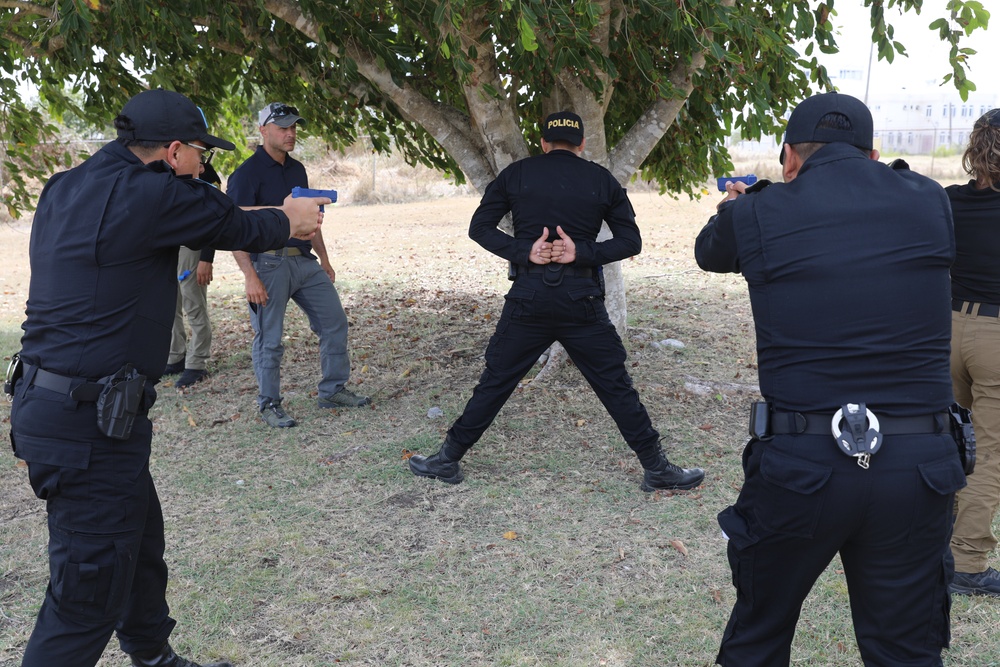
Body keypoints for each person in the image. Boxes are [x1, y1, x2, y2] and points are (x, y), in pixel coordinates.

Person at [7, 88, 327, 667]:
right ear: (173, 151)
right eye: (201, 154)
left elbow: (211, 215)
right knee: (86, 593)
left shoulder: (67, 185)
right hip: (86, 422)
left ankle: (154, 657)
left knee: (140, 547)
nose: (205, 166)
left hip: (66, 408)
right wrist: (290, 218)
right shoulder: (151, 194)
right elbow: (234, 225)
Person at [695, 92, 967, 665]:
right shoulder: (929, 201)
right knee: (906, 651)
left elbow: (709, 253)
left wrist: (746, 202)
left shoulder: (756, 213)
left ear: (789, 157)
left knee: (758, 637)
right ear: (872, 154)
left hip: (802, 464)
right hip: (918, 467)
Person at [408, 111, 704, 492]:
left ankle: (445, 460)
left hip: (528, 297)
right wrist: (579, 252)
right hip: (580, 299)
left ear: (544, 143)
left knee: (495, 382)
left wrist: (523, 251)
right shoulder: (601, 179)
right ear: (581, 145)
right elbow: (632, 242)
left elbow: (479, 228)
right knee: (615, 385)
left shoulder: (517, 174)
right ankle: (658, 469)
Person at [228, 102, 369, 429]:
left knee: (334, 322)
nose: (290, 133)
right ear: (263, 131)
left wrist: (324, 258)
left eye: (293, 127)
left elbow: (309, 218)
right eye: (282, 127)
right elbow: (232, 229)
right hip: (267, 264)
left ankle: (333, 390)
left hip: (304, 262)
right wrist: (250, 276)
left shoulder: (297, 170)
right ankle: (269, 404)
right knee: (270, 339)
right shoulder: (245, 175)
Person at [947, 107, 1000, 597]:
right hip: (995, 339)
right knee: (987, 454)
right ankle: (966, 562)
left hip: (948, 329)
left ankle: (933, 540)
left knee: (948, 440)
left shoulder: (948, 202)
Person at [164, 161, 223, 389]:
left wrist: (206, 258)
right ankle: (175, 356)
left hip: (192, 246)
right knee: (170, 304)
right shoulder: (162, 164)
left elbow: (214, 216)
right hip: (168, 246)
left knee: (193, 304)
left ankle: (197, 364)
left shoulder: (204, 169)